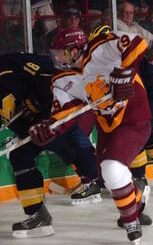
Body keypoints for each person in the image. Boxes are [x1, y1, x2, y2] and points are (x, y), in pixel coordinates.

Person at [28, 25, 152, 244]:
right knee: (107, 178)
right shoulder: (61, 79)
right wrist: (49, 128)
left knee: (112, 169)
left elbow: (136, 42)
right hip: (108, 127)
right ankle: (138, 201)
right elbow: (64, 114)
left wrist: (126, 72)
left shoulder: (100, 48)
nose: (57, 57)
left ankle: (131, 223)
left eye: (60, 51)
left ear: (74, 48)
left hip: (134, 116)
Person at [0, 47, 101, 237]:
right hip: (34, 130)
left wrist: (39, 101)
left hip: (52, 118)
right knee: (29, 156)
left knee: (26, 155)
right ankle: (125, 193)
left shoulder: (8, 63)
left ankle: (126, 192)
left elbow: (48, 69)